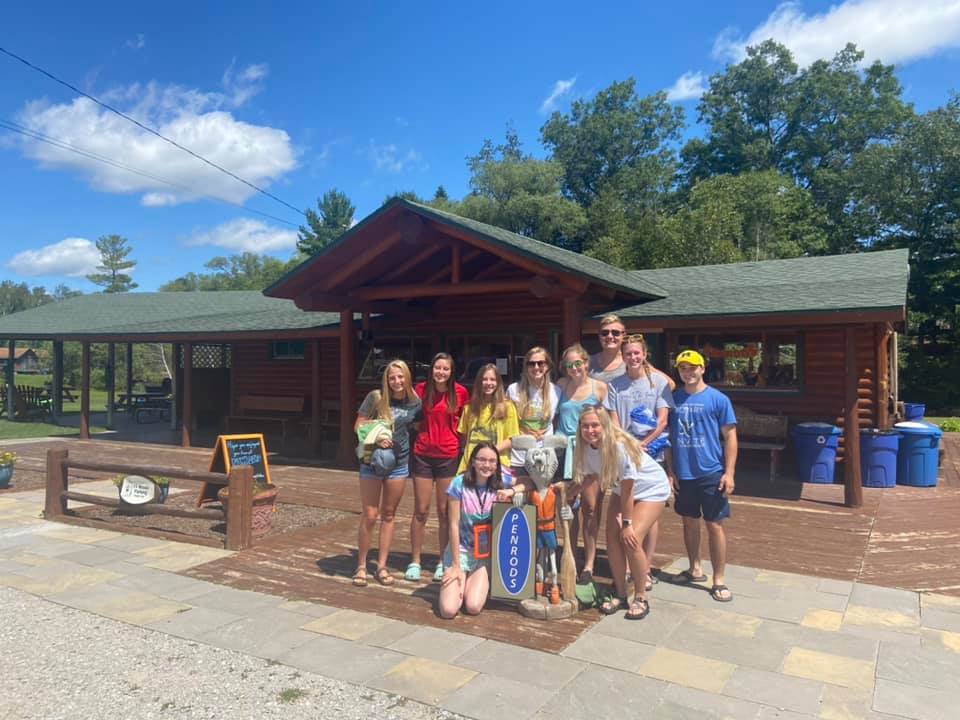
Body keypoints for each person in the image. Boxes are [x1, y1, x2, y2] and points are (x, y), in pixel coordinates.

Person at [572, 406, 669, 620]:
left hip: (650, 488)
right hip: (621, 488)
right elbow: (589, 477)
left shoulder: (619, 447)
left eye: (595, 425)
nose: (590, 430)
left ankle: (641, 597)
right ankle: (621, 593)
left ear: (605, 425)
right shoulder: (585, 447)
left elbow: (628, 489)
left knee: (631, 539)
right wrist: (567, 493)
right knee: (612, 538)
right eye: (585, 426)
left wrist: (627, 524)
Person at [665, 349, 738, 603]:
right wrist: (670, 471)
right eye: (683, 368)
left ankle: (719, 579)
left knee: (714, 524)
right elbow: (668, 438)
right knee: (689, 521)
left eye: (692, 367)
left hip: (711, 472)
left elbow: (730, 436)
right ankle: (694, 568)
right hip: (684, 474)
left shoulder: (718, 399)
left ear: (703, 368)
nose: (688, 372)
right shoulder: (673, 399)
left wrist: (729, 472)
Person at [605, 334, 674, 591]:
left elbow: (663, 420)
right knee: (627, 510)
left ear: (644, 354)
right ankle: (627, 568)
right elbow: (614, 421)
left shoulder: (658, 382)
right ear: (622, 357)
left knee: (648, 518)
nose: (633, 357)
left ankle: (644, 569)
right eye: (628, 354)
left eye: (637, 353)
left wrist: (643, 445)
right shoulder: (615, 385)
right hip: (625, 454)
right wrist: (628, 445)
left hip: (652, 454)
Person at [352, 360, 421, 587]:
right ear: (386, 380)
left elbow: (418, 427)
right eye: (392, 377)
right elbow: (358, 426)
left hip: (398, 463)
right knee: (370, 514)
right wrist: (377, 436)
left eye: (401, 377)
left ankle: (381, 566)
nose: (397, 381)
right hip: (371, 461)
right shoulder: (376, 397)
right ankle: (361, 565)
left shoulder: (414, 402)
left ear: (407, 378)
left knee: (389, 514)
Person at [408, 353, 469, 583]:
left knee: (445, 512)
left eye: (445, 368)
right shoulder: (420, 390)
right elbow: (413, 418)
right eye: (437, 367)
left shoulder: (461, 392)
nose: (441, 372)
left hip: (448, 455)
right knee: (421, 510)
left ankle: (443, 561)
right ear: (431, 369)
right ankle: (415, 561)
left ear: (452, 372)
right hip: (423, 454)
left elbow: (465, 424)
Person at [555, 343, 608, 583]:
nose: (574, 368)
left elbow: (608, 421)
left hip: (589, 450)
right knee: (568, 508)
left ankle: (589, 563)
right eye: (569, 364)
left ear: (586, 363)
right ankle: (571, 555)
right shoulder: (561, 385)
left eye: (578, 363)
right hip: (564, 451)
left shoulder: (600, 388)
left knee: (590, 508)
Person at [438, 442, 510, 618]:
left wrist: (513, 491)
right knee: (448, 610)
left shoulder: (501, 481)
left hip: (483, 554)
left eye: (492, 461)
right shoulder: (459, 483)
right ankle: (459, 578)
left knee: (473, 606)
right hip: (460, 551)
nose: (487, 465)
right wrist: (456, 566)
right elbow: (453, 524)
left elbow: (528, 482)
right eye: (482, 460)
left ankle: (471, 582)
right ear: (473, 461)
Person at [506, 347, 561, 492]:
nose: (536, 367)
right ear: (526, 367)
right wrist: (523, 430)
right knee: (519, 499)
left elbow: (556, 420)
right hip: (519, 456)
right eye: (531, 363)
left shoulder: (556, 391)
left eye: (540, 363)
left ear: (547, 366)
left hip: (545, 456)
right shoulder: (513, 389)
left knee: (543, 499)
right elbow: (507, 422)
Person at [457, 363, 519, 483]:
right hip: (470, 465)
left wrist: (489, 452)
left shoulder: (507, 407)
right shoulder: (469, 407)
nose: (488, 383)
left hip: (497, 464)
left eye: (492, 379)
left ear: (498, 382)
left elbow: (512, 438)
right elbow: (464, 437)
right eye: (484, 379)